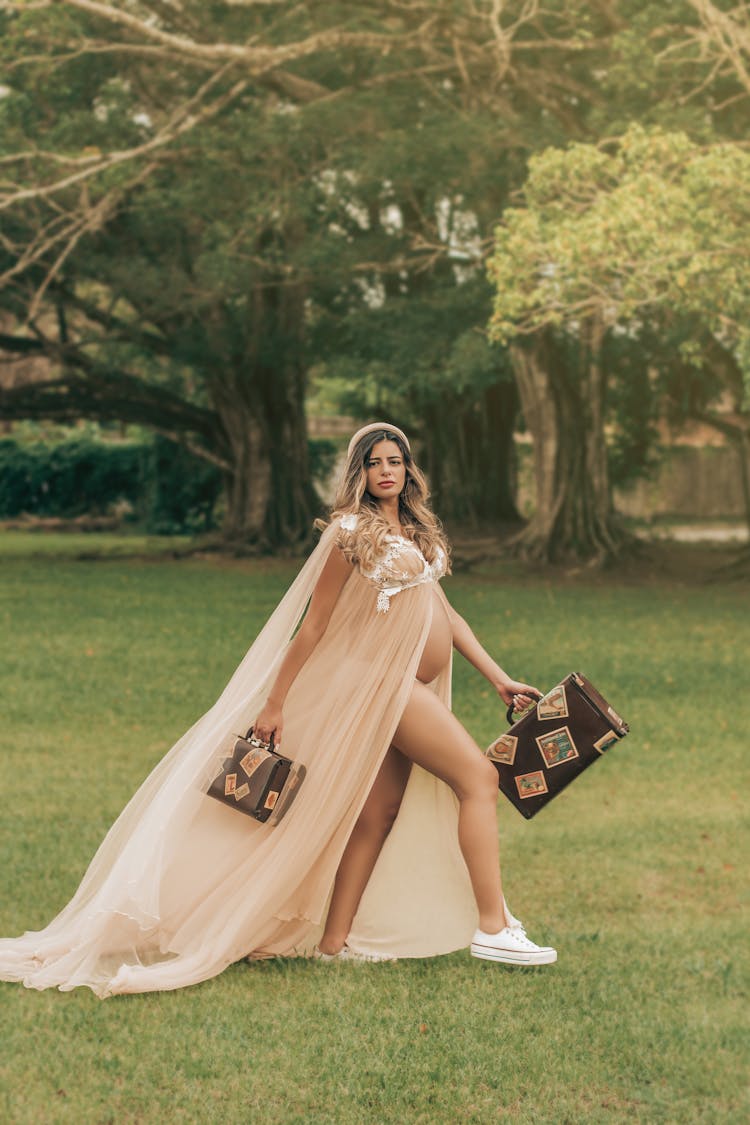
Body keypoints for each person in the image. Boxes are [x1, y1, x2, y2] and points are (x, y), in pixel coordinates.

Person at [0, 422, 554, 999]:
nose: (385, 470)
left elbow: (446, 612)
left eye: (395, 461)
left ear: (408, 469)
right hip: (380, 685)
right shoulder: (348, 533)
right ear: (357, 473)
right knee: (479, 778)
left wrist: (497, 678)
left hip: (404, 684)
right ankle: (494, 927)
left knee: (378, 814)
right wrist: (274, 703)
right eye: (373, 463)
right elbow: (312, 625)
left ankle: (333, 946)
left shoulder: (414, 529)